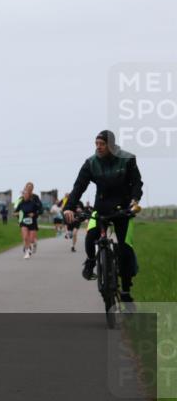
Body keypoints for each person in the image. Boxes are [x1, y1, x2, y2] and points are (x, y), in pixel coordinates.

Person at [64, 130, 143, 304]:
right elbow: (79, 187)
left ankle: (126, 289)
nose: (98, 147)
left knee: (124, 248)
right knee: (90, 237)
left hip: (124, 208)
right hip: (101, 207)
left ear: (111, 146)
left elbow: (137, 182)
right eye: (96, 144)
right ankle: (92, 261)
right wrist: (69, 207)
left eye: (102, 144)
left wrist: (135, 200)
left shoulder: (127, 159)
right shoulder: (91, 163)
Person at [15, 182, 44, 259]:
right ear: (25, 188)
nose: (29, 189)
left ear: (32, 189)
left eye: (30, 188)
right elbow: (16, 209)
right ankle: (27, 251)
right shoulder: (21, 199)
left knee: (31, 239)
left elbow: (40, 209)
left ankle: (33, 244)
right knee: (25, 237)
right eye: (27, 187)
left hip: (32, 220)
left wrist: (34, 214)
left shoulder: (35, 198)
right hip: (23, 221)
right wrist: (17, 216)